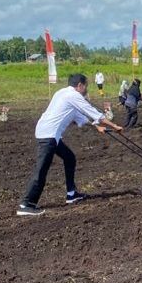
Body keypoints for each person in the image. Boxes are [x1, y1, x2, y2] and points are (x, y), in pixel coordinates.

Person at [16, 73, 123, 216]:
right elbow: (93, 113)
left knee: (69, 158)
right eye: (86, 86)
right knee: (41, 169)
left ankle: (71, 194)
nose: (87, 89)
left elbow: (79, 116)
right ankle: (26, 204)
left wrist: (97, 127)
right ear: (80, 85)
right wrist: (114, 126)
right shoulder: (74, 96)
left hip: (50, 134)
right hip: (48, 135)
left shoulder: (62, 93)